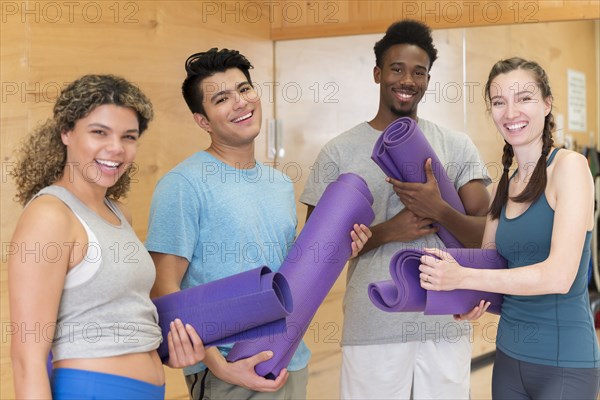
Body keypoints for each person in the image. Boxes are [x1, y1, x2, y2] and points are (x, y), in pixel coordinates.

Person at [145, 48, 370, 400]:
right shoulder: (183, 184)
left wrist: (340, 247)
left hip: (290, 360)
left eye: (244, 89)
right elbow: (163, 289)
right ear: (202, 120)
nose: (239, 102)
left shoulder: (278, 184)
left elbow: (292, 274)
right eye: (221, 98)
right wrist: (217, 365)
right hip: (229, 370)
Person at [300, 20, 491, 399]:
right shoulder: (339, 152)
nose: (407, 80)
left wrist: (439, 211)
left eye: (419, 72)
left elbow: (485, 235)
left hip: (446, 323)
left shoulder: (456, 145)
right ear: (378, 74)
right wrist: (391, 230)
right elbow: (315, 251)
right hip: (374, 327)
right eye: (397, 69)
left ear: (427, 80)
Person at [8, 74, 206, 399]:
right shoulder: (50, 216)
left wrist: (169, 351)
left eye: (128, 136)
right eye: (99, 132)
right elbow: (26, 358)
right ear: (66, 132)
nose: (116, 148)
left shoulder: (118, 213)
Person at [420, 57, 600, 399]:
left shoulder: (570, 168)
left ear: (547, 104)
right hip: (508, 363)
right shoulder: (505, 184)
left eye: (524, 98)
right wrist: (470, 299)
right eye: (499, 102)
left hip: (565, 364)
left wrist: (464, 278)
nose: (510, 111)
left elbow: (558, 276)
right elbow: (490, 266)